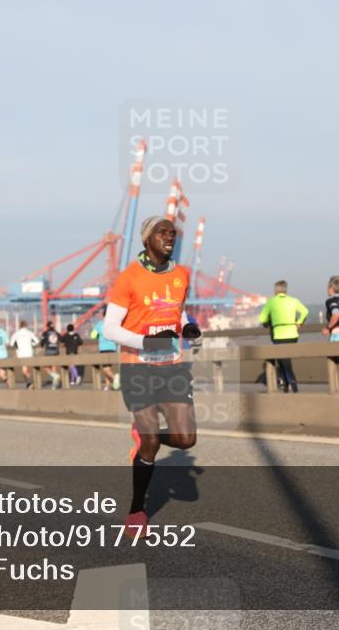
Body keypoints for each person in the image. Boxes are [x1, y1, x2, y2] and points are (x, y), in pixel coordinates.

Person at [103, 216, 201, 538]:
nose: (170, 237)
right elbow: (110, 329)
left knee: (186, 440)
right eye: (163, 233)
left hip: (172, 366)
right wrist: (146, 342)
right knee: (150, 443)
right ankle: (137, 509)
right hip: (138, 367)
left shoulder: (181, 275)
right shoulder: (128, 278)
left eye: (173, 233)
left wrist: (187, 327)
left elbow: (177, 311)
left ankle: (148, 437)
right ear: (148, 239)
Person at [258, 280, 308, 393]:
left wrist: (269, 320)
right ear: (286, 290)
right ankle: (286, 386)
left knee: (285, 363)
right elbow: (305, 311)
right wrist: (299, 323)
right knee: (283, 361)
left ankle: (294, 388)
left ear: (275, 290)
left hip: (279, 335)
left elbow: (262, 319)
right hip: (293, 334)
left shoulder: (271, 302)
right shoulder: (293, 300)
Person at [90, 310, 118, 390]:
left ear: (103, 315)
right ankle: (107, 386)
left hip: (104, 348)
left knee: (105, 368)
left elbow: (93, 336)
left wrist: (98, 336)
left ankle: (115, 377)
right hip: (112, 348)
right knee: (108, 368)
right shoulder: (114, 325)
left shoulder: (99, 324)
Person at [9, 321, 40, 389]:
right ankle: (28, 384)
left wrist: (16, 345)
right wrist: (31, 344)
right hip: (29, 352)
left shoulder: (16, 333)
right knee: (26, 369)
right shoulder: (29, 332)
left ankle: (31, 382)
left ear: (20, 326)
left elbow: (11, 343)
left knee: (24, 370)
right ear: (26, 326)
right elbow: (37, 341)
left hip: (21, 353)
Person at [40, 320, 63, 389]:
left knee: (45, 366)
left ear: (47, 326)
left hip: (48, 351)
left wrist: (42, 344)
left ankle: (55, 376)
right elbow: (61, 339)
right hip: (56, 351)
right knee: (54, 366)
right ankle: (55, 383)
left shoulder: (45, 333)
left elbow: (42, 342)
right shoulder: (57, 333)